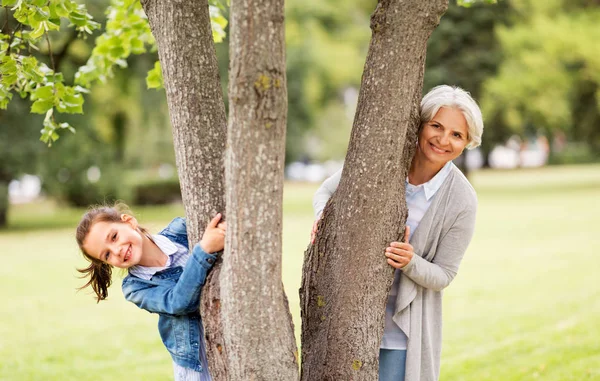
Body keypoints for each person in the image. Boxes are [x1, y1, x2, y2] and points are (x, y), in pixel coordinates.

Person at [312, 85, 483, 381]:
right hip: (346, 323)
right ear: (421, 124)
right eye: (436, 126)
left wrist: (410, 262)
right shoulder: (386, 162)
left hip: (401, 335)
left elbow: (444, 275)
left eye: (457, 135)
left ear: (468, 142)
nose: (443, 140)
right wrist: (323, 217)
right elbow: (327, 190)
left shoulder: (462, 200)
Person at [75, 203, 226, 381]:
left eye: (114, 237)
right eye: (106, 255)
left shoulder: (180, 230)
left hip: (231, 336)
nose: (117, 251)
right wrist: (204, 250)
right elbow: (178, 302)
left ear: (129, 222)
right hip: (198, 364)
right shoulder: (135, 287)